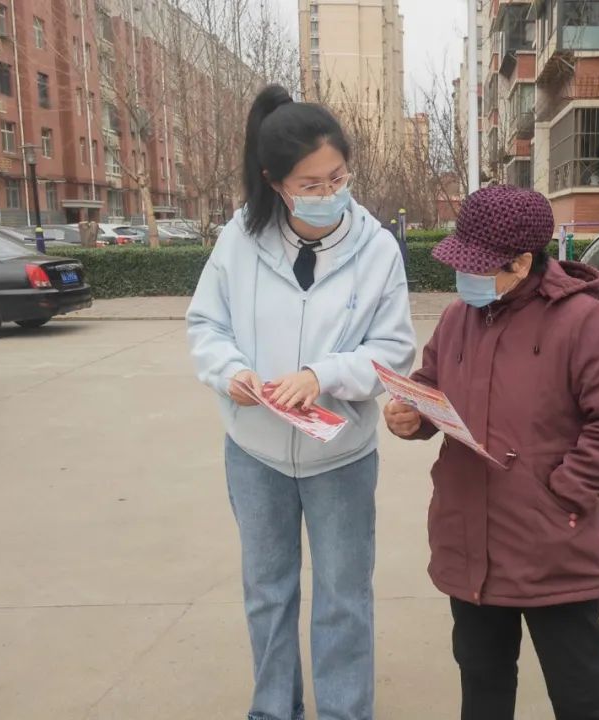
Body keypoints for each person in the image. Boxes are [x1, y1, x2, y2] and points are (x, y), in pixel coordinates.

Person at [187, 84, 416, 720]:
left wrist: (323, 374)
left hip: (341, 455)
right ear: (275, 182)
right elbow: (206, 324)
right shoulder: (241, 239)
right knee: (267, 592)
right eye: (310, 184)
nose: (328, 192)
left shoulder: (376, 249)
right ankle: (273, 710)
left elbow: (394, 351)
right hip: (254, 451)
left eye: (337, 177)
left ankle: (345, 711)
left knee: (344, 598)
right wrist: (230, 371)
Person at [383, 185, 599, 720]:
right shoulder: (458, 317)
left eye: (477, 266)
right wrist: (412, 415)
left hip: (550, 546)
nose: (465, 276)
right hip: (468, 538)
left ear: (522, 262)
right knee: (483, 685)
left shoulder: (582, 322)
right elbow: (432, 382)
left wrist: (562, 493)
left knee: (582, 693)